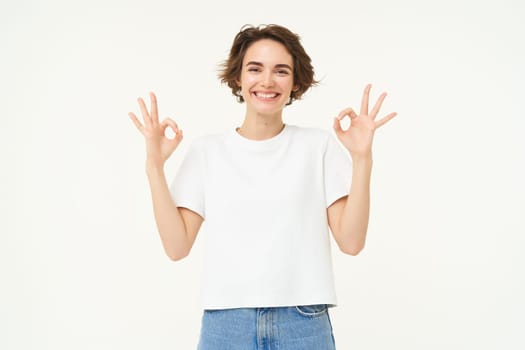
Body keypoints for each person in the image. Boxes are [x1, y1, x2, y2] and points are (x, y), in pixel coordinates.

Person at [128, 24, 396, 350]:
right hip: (227, 324)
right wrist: (154, 166)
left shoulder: (318, 146)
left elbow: (352, 242)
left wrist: (362, 159)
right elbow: (176, 246)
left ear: (296, 82)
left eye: (280, 71)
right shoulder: (206, 151)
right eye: (255, 69)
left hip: (303, 322)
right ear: (238, 78)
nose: (267, 81)